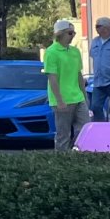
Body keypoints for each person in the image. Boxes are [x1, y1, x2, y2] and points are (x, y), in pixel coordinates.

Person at [43, 19, 88, 149]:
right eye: (70, 33)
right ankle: (62, 161)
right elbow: (52, 78)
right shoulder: (51, 52)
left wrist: (84, 96)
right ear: (60, 34)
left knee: (84, 129)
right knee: (63, 134)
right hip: (62, 100)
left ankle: (80, 155)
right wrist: (59, 100)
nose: (73, 35)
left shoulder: (75, 51)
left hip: (78, 97)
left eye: (74, 33)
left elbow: (79, 75)